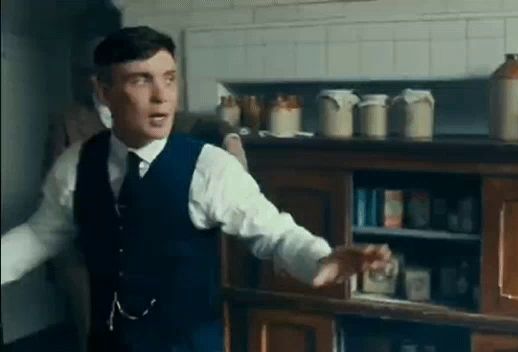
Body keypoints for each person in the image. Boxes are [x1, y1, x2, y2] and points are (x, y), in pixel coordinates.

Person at [1, 26, 392, 352]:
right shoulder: (76, 164)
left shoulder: (210, 167)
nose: (162, 96)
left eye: (169, 79)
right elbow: (40, 233)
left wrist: (322, 260)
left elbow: (275, 233)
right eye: (141, 80)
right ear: (104, 92)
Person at [46, 58, 250, 352]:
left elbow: (207, 121)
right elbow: (55, 185)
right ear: (98, 85)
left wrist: (231, 139)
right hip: (89, 251)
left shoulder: (150, 113)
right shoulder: (68, 119)